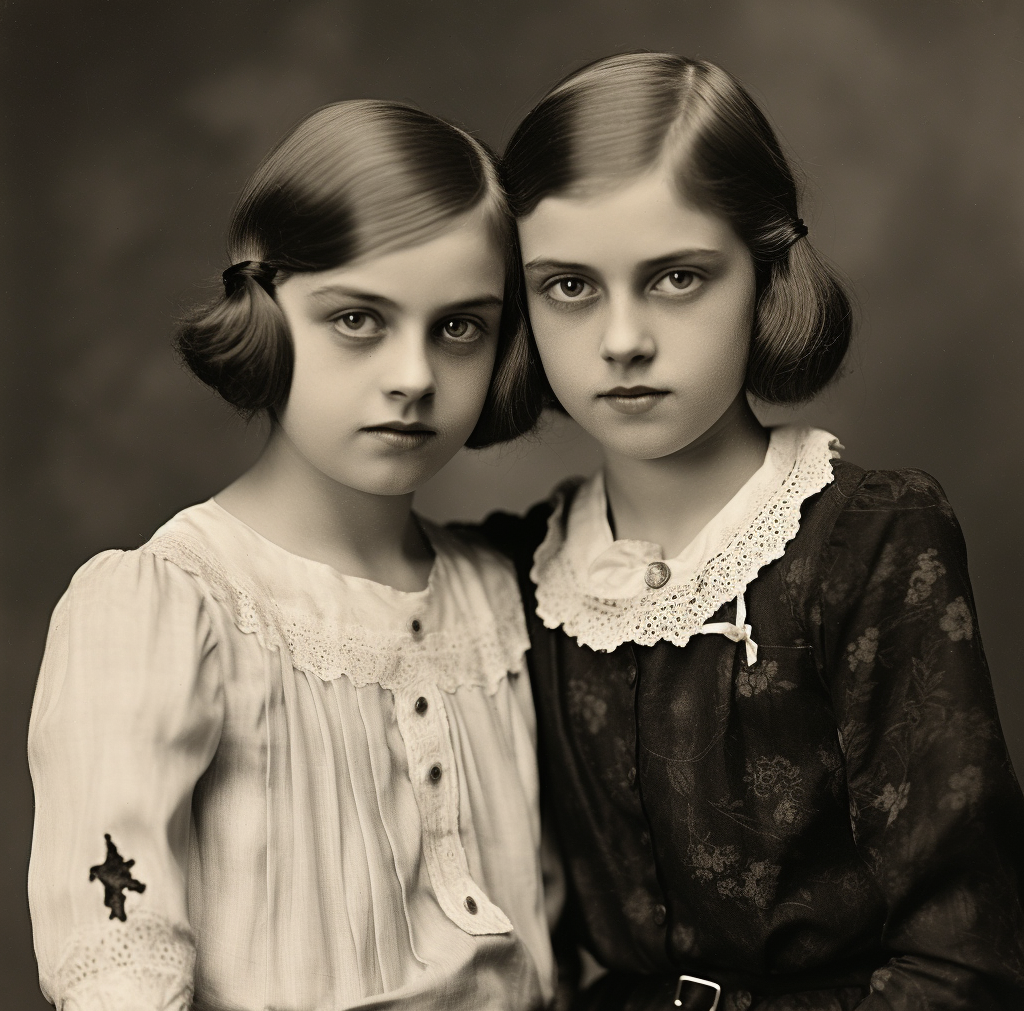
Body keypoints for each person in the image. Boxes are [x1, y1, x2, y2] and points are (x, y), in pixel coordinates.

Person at [480, 53, 1024, 1010]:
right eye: (569, 287)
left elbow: (963, 961)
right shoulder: (514, 569)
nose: (622, 340)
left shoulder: (872, 540)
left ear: (767, 272)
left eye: (677, 277)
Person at [27, 100, 555, 1011]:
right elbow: (119, 952)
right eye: (358, 319)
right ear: (264, 310)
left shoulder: (503, 597)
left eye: (459, 327)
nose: (414, 377)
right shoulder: (168, 607)